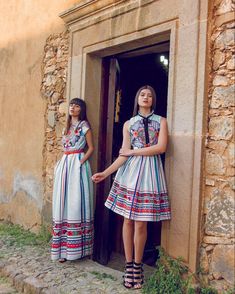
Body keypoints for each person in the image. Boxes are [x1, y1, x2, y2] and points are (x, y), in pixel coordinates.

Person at [92, 85, 171, 289]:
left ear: (153, 100)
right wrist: (105, 173)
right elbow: (122, 154)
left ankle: (138, 265)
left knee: (141, 223)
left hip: (150, 173)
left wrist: (133, 152)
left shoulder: (161, 121)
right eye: (142, 95)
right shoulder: (128, 124)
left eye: (149, 95)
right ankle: (129, 266)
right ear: (137, 99)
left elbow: (161, 148)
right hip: (130, 173)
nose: (146, 97)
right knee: (127, 221)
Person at [51, 98, 94, 262]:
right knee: (62, 202)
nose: (72, 108)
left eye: (76, 106)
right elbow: (64, 148)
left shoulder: (84, 126)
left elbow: (91, 148)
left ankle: (77, 250)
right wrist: (61, 164)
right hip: (65, 164)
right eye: (71, 105)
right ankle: (62, 249)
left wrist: (80, 162)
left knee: (76, 202)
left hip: (77, 165)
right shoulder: (66, 127)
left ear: (81, 109)